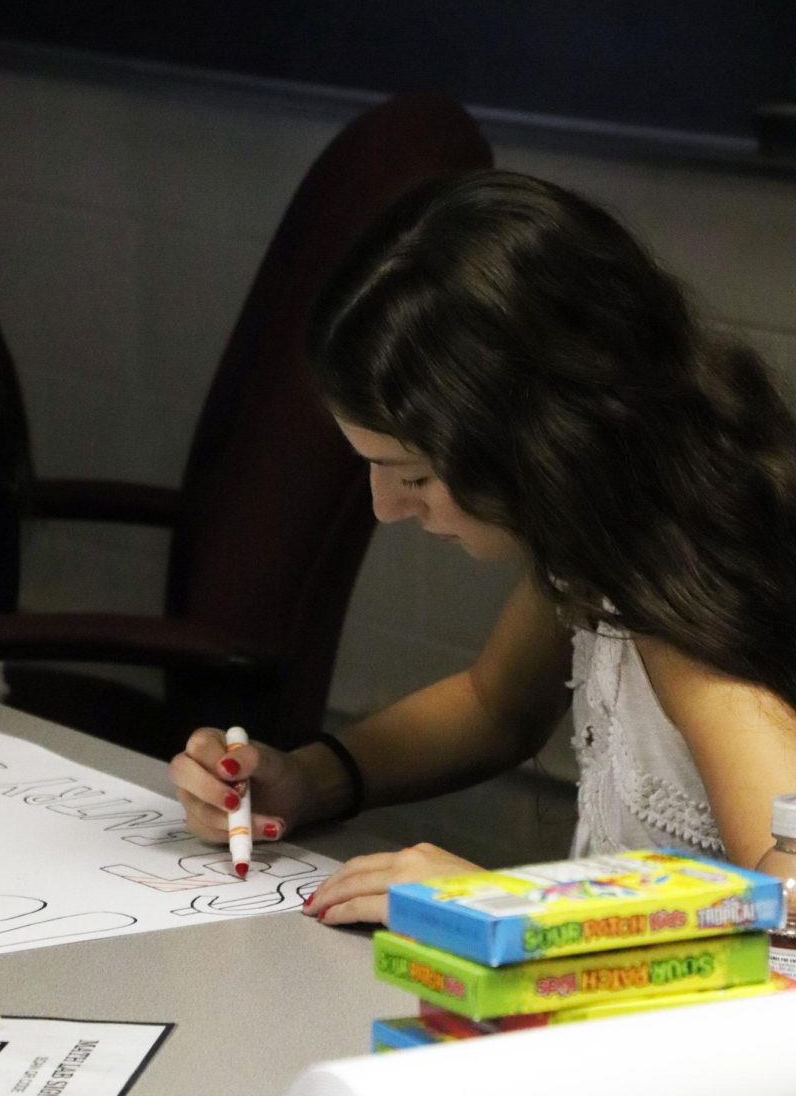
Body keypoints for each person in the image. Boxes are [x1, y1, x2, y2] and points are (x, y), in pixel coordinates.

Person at [170, 170, 796, 926]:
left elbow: (790, 902)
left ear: (535, 442)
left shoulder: (684, 590)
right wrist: (307, 778)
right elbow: (494, 706)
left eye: (414, 474)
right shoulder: (610, 523)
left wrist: (524, 904)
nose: (385, 506)